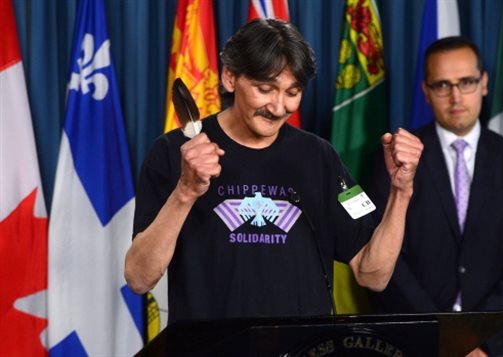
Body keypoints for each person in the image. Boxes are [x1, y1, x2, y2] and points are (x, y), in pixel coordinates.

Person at [124, 19, 423, 323]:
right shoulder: (173, 153)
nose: (279, 108)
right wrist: (185, 192)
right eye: (265, 89)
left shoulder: (320, 157)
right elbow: (139, 278)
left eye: (292, 92)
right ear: (230, 77)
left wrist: (401, 191)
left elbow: (373, 275)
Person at [368, 36, 503, 356]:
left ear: (484, 83)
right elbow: (388, 262)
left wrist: (479, 339)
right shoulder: (396, 161)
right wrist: (445, 338)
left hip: (499, 345)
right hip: (419, 344)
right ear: (426, 90)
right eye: (442, 86)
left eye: (466, 82)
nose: (456, 96)